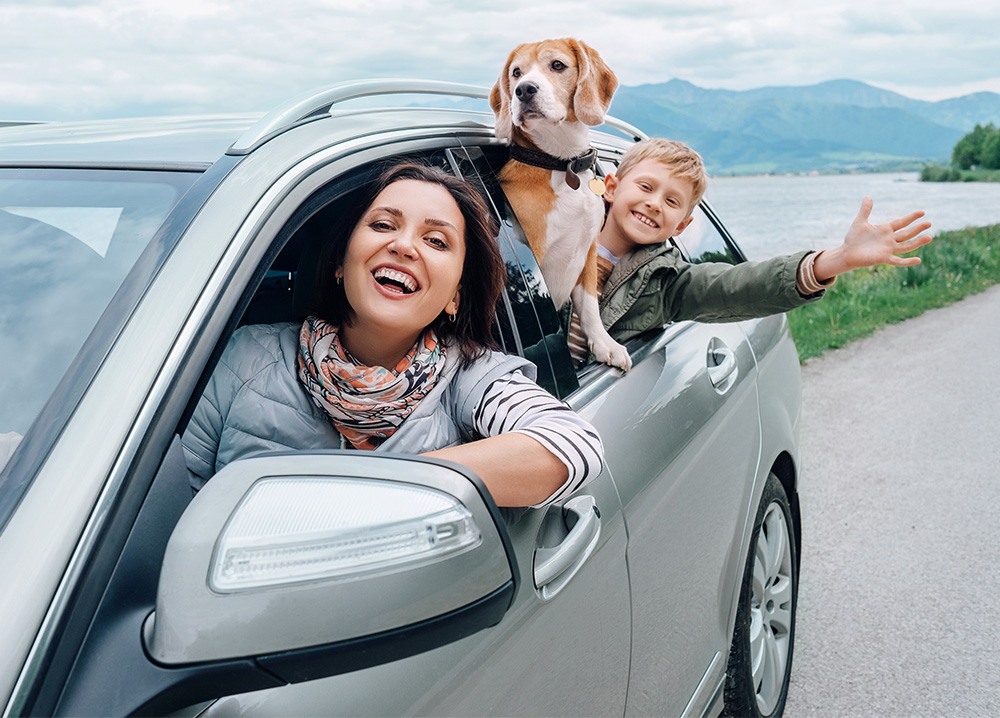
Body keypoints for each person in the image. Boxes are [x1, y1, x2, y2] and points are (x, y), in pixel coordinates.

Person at [182, 162, 603, 509]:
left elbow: (573, 444)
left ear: (455, 295)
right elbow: (174, 508)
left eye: (436, 241)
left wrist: (371, 497)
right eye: (383, 225)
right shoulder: (245, 357)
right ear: (340, 264)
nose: (404, 246)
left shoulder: (470, 376)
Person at [567, 138, 933, 363]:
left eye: (672, 200)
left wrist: (837, 260)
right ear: (611, 186)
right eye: (645, 186)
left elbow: (739, 284)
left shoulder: (667, 282)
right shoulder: (555, 236)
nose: (654, 203)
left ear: (681, 226)